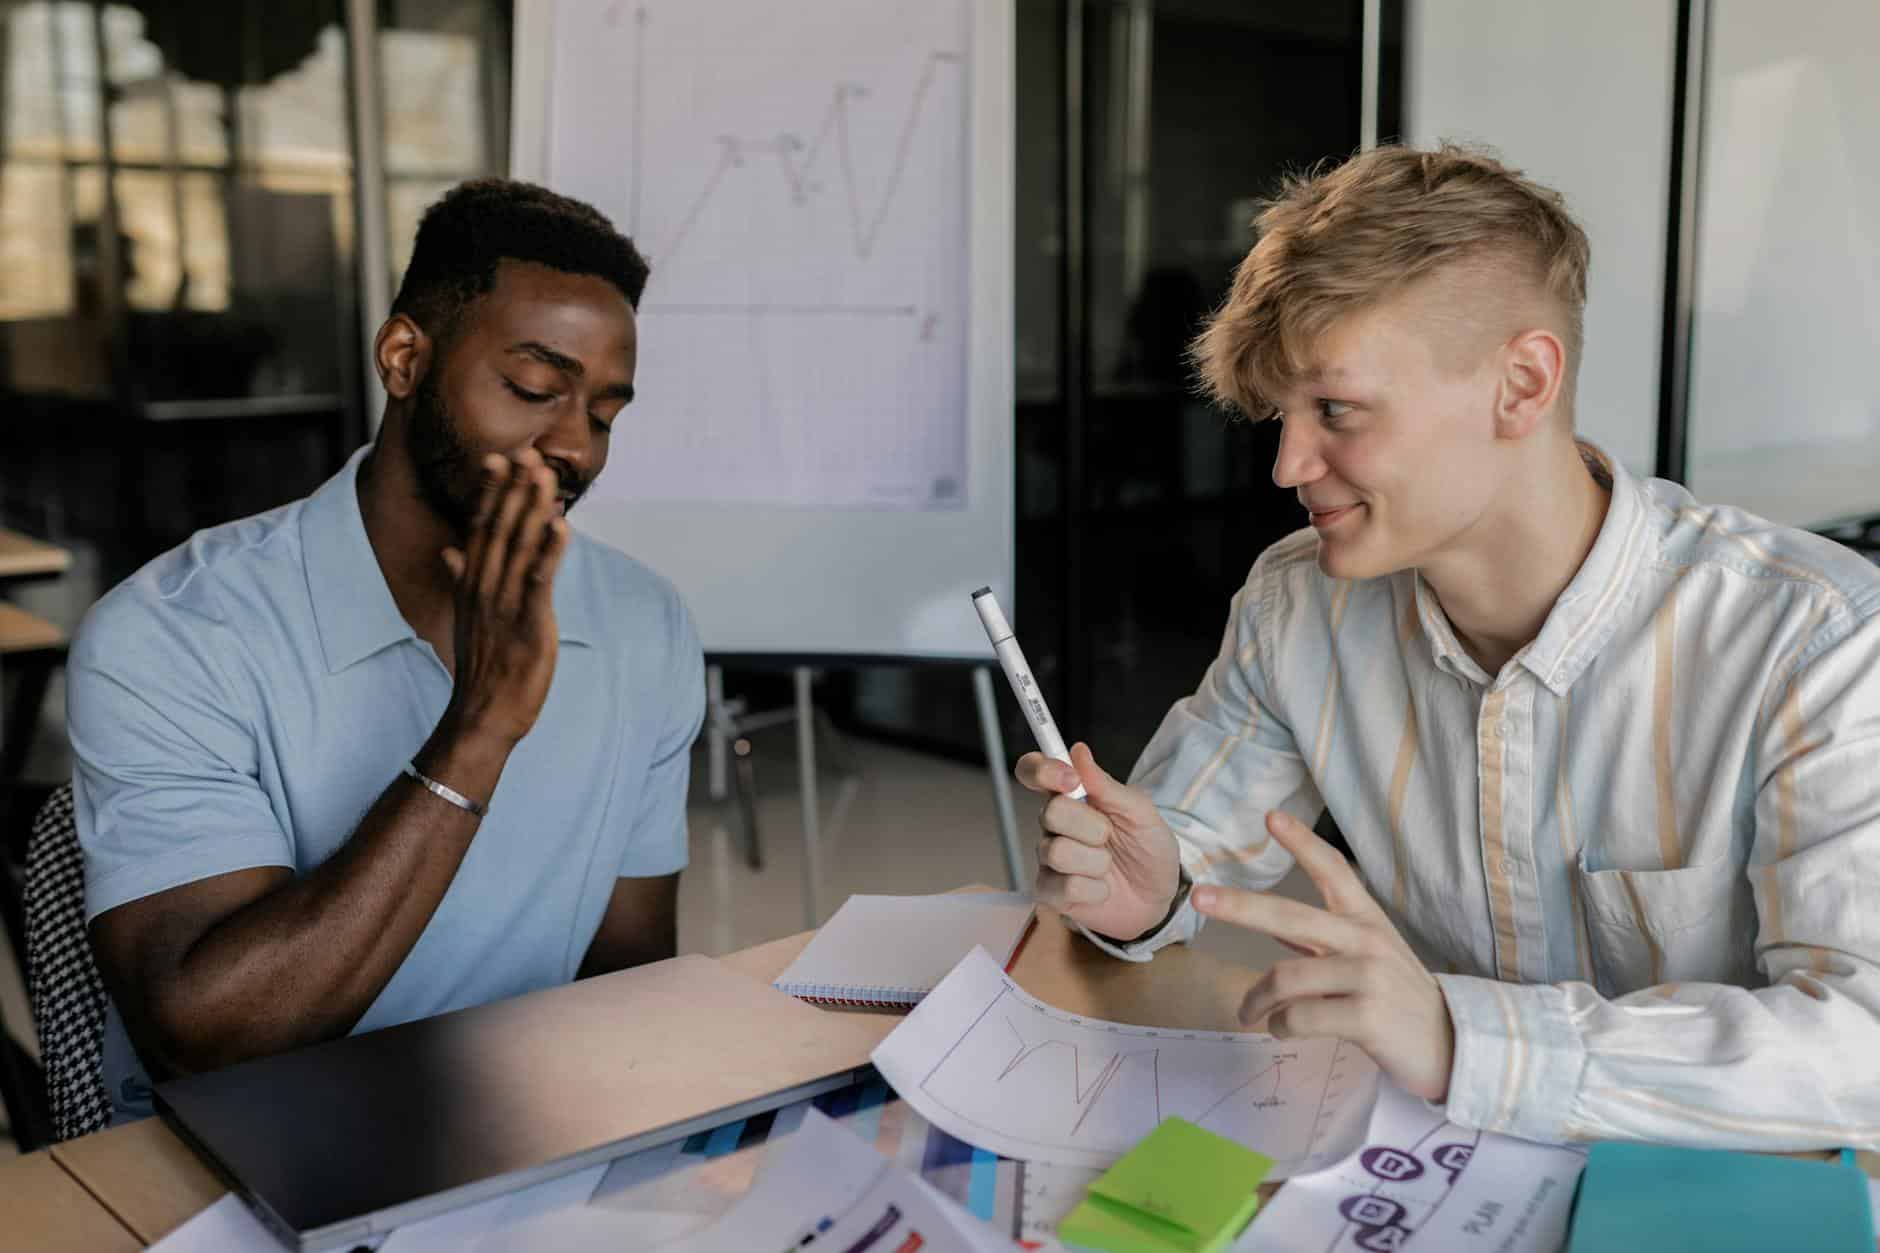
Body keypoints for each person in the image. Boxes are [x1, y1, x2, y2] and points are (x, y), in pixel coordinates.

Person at [1017, 144, 1880, 1150]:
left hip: (1704, 1186)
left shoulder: (1814, 638)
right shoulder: (1297, 605)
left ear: (1519, 383)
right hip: (1431, 1162)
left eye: (1334, 410)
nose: (1288, 464)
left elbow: (1858, 1044)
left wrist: (1457, 1037)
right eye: (1280, 416)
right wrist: (1142, 892)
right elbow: (1178, 850)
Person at [68, 180, 704, 1124]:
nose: (574, 447)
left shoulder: (644, 624)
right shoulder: (169, 635)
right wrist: (480, 728)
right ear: (405, 357)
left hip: (527, 1143)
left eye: (604, 413)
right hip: (252, 1167)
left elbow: (627, 981)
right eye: (534, 390)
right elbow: (206, 1035)